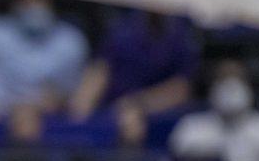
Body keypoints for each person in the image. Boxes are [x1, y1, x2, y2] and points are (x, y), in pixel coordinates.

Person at [70, 10, 199, 122]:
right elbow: (100, 69)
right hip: (110, 109)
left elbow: (181, 89)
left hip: (157, 117)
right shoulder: (124, 29)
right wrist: (82, 104)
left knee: (131, 121)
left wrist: (138, 104)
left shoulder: (181, 36)